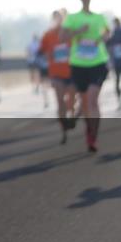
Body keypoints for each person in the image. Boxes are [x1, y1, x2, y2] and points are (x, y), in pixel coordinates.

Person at [61, 0, 110, 153]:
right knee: (85, 103)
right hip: (79, 64)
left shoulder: (99, 17)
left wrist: (101, 38)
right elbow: (63, 36)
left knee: (92, 99)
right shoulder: (72, 18)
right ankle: (89, 131)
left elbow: (107, 33)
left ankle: (93, 136)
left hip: (97, 62)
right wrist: (78, 32)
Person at [39, 10, 75, 143]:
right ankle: (63, 130)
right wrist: (47, 54)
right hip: (56, 72)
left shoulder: (70, 33)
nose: (58, 20)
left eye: (60, 18)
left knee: (71, 100)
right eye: (55, 18)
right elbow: (41, 50)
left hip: (71, 71)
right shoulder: (48, 35)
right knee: (60, 101)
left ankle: (72, 115)